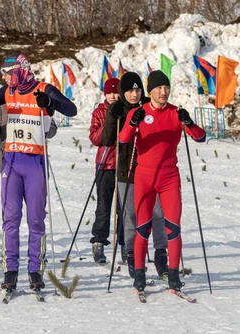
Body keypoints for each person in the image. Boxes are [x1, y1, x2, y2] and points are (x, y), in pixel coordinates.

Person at [0, 53, 77, 292]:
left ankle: (34, 270)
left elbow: (71, 109)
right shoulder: (7, 91)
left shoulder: (43, 89)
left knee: (35, 220)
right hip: (11, 161)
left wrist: (50, 104)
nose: (4, 77)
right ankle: (10, 270)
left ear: (20, 70)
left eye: (7, 72)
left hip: (35, 164)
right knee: (10, 219)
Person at [119, 70, 205, 292]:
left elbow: (200, 137)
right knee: (142, 228)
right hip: (144, 177)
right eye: (158, 88)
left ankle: (173, 273)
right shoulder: (139, 113)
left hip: (169, 178)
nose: (163, 92)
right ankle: (139, 273)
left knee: (173, 228)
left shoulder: (176, 113)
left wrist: (190, 122)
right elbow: (122, 139)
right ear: (150, 91)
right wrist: (131, 124)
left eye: (166, 87)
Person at [101, 72, 168, 278]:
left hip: (151, 171)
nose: (134, 94)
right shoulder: (118, 109)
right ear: (123, 91)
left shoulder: (148, 105)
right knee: (131, 216)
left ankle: (160, 254)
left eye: (137, 89)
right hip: (126, 172)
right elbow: (107, 139)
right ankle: (131, 254)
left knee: (158, 214)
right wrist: (113, 115)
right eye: (130, 90)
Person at [88, 78, 119, 264]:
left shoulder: (126, 109)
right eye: (110, 93)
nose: (114, 96)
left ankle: (125, 243)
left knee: (125, 207)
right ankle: (99, 241)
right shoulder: (99, 112)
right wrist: (109, 120)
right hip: (105, 163)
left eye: (116, 92)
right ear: (105, 94)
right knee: (103, 206)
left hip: (124, 164)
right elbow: (94, 138)